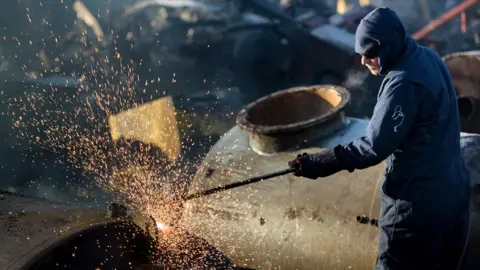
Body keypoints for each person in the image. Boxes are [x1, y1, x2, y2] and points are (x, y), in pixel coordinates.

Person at [288, 7, 471, 270]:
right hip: (455, 191)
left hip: (417, 204)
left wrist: (319, 162)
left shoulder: (402, 83)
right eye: (360, 53)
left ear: (388, 47)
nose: (364, 61)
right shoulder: (429, 58)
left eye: (370, 53)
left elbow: (373, 147)